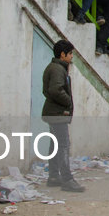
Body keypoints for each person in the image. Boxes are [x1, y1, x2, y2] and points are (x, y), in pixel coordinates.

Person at [41, 40, 84, 192]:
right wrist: (68, 102)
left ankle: (53, 176)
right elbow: (55, 90)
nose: (72, 56)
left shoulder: (56, 68)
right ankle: (67, 179)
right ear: (62, 54)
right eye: (70, 53)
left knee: (55, 145)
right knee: (63, 145)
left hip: (53, 112)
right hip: (57, 113)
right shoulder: (58, 69)